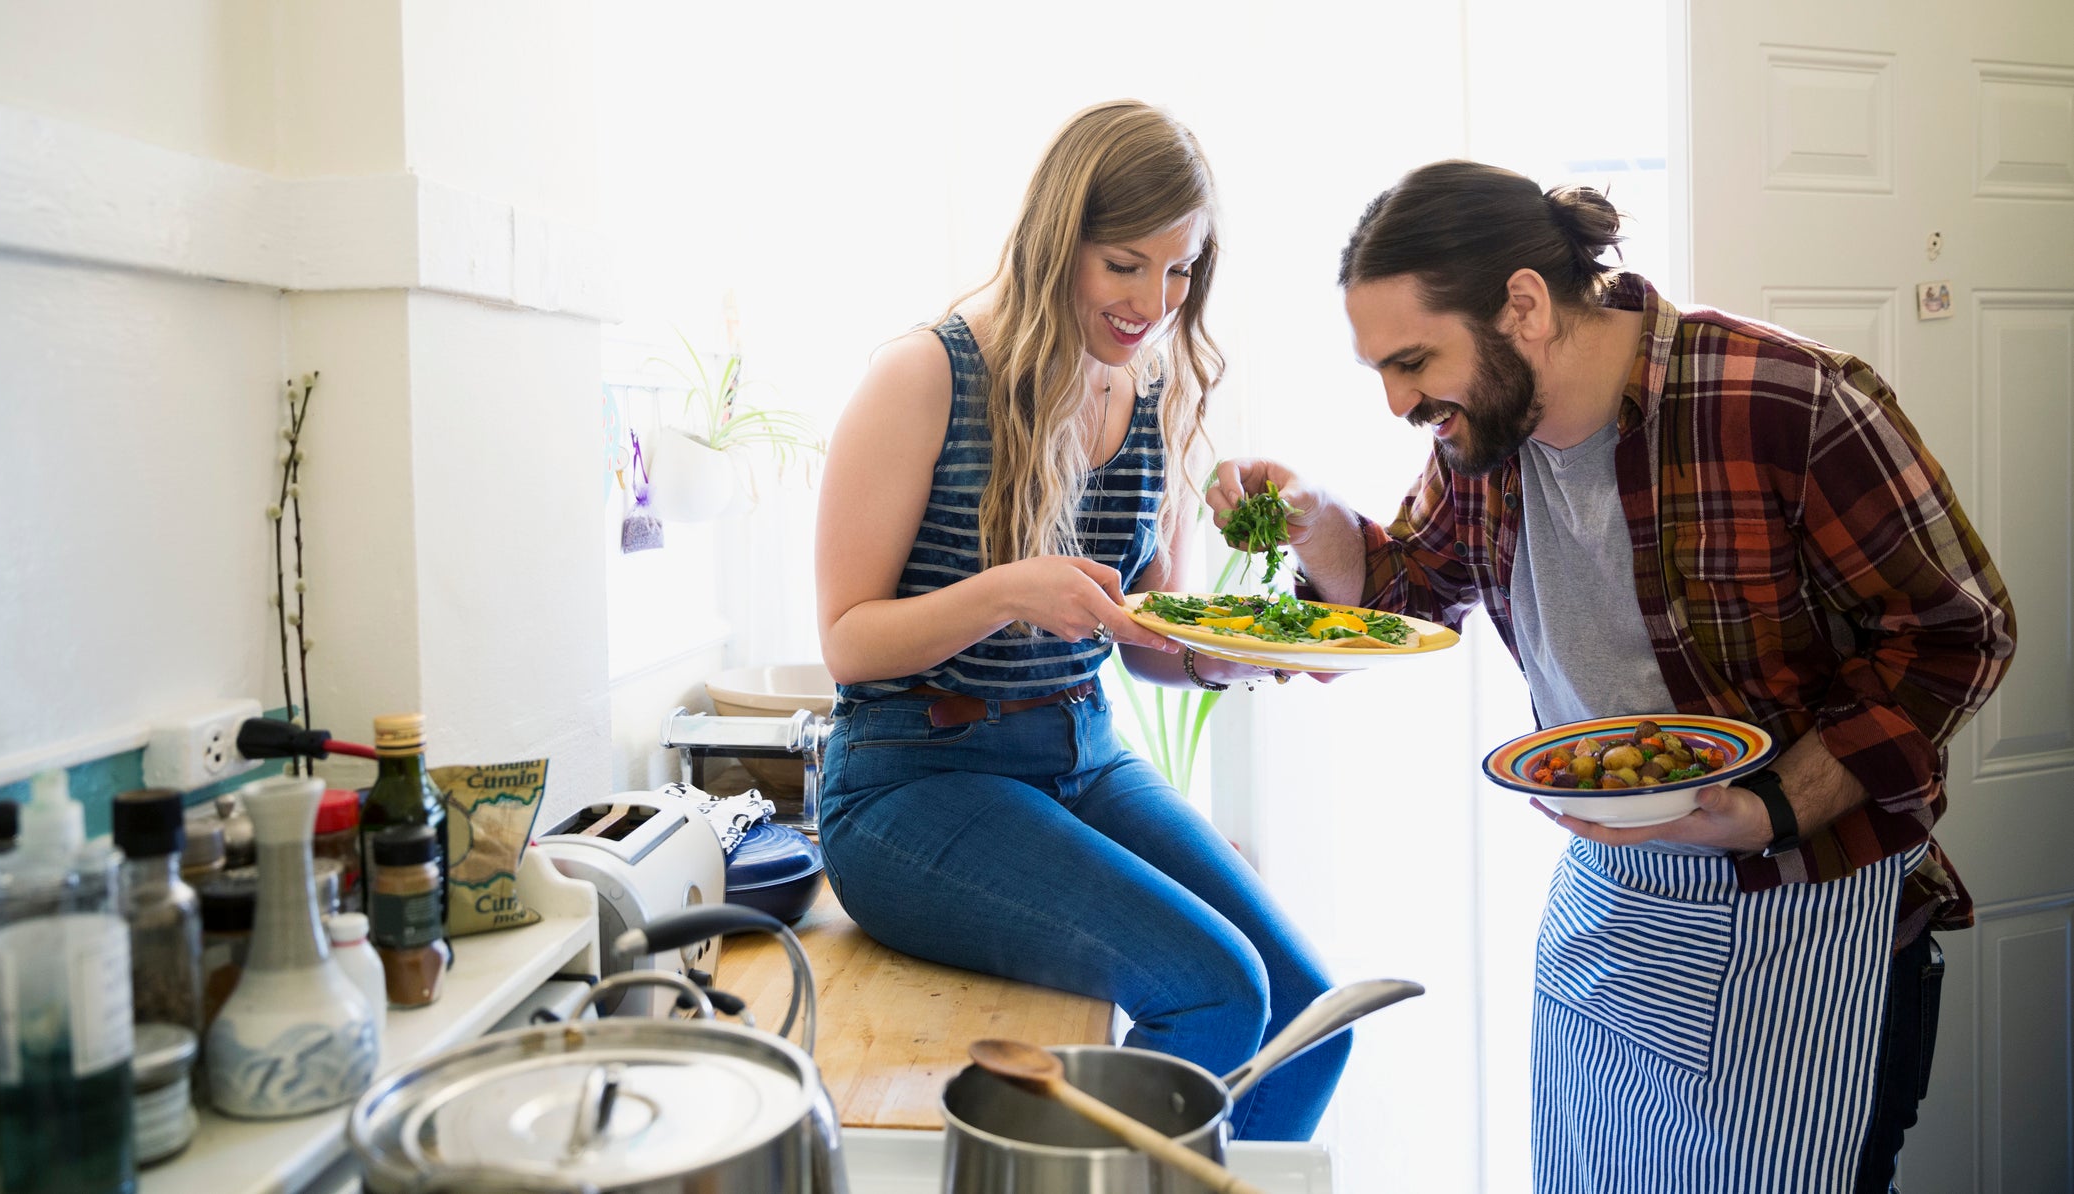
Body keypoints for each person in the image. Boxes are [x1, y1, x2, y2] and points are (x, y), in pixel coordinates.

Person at [1209, 160, 2016, 1188]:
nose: (1399, 401)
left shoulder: (1788, 404)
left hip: (1804, 909)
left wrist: (1770, 807)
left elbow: (1959, 635)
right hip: (1612, 903)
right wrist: (1322, 521)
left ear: (1526, 306)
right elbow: (1410, 590)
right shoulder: (1482, 439)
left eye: (1413, 362)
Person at [813, 99, 1348, 1141]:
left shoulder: (1158, 395)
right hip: (911, 784)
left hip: (1083, 752)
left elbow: (1150, 639)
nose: (1155, 300)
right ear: (1059, 240)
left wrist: (1232, 659)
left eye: (1182, 269)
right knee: (1219, 990)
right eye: (1125, 263)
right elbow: (849, 640)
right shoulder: (925, 375)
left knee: (1312, 1017)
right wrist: (1012, 590)